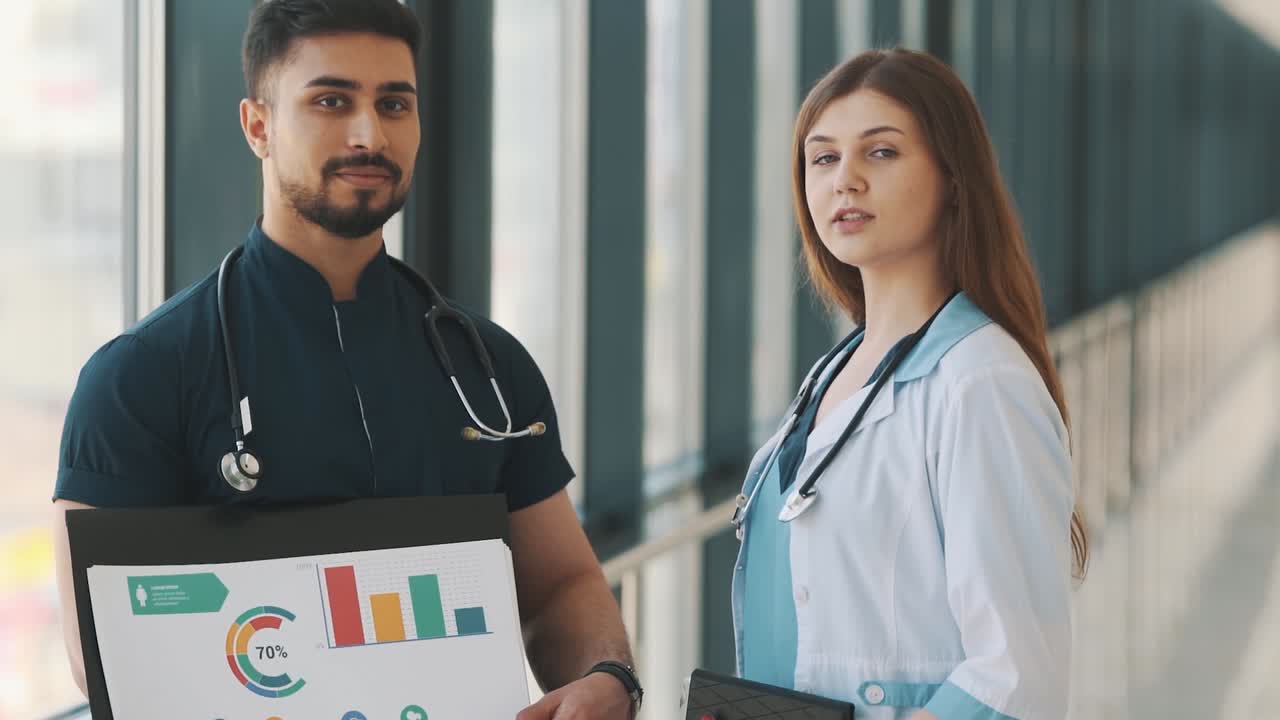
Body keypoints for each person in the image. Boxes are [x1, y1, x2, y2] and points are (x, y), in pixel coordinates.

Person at [52, 2, 639, 718]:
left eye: (394, 104)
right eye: (331, 101)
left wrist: (607, 675)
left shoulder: (489, 366)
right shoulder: (138, 377)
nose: (370, 135)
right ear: (258, 127)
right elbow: (104, 655)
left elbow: (558, 587)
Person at [731, 48, 1088, 719]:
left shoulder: (981, 380)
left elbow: (1015, 675)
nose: (846, 180)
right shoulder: (834, 371)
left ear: (954, 178)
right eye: (823, 158)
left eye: (882, 152)